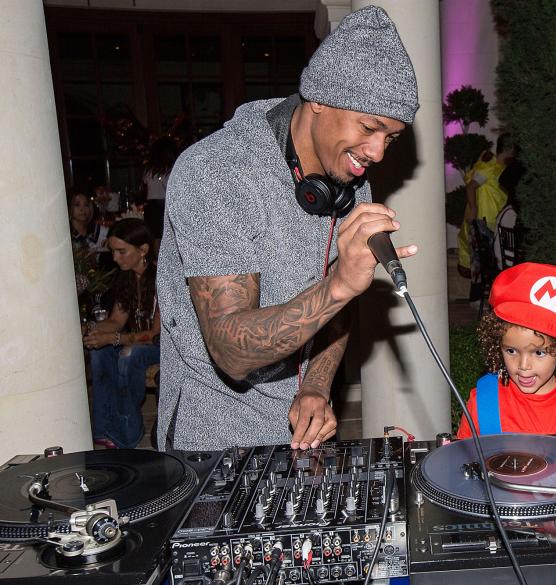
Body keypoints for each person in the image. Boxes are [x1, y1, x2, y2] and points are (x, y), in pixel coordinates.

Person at [156, 5, 419, 451]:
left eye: (390, 137)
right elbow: (231, 350)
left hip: (302, 431)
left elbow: (344, 303)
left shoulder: (349, 182)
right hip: (214, 438)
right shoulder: (216, 172)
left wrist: (316, 384)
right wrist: (338, 284)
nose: (376, 152)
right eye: (369, 127)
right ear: (317, 98)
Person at [456, 263, 556, 451]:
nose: (523, 365)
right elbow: (462, 463)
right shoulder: (483, 401)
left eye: (539, 352)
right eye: (511, 351)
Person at [83, 218, 161, 449]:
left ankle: (128, 432)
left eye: (121, 251)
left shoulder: (161, 277)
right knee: (99, 351)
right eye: (114, 252)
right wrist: (91, 330)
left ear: (143, 249)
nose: (115, 258)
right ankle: (105, 429)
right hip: (138, 343)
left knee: (129, 355)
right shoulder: (127, 278)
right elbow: (117, 321)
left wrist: (114, 338)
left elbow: (155, 334)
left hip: (162, 346)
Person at [457, 133, 517, 295]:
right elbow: (471, 187)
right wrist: (474, 209)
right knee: (481, 264)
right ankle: (478, 300)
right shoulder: (489, 167)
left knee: (487, 263)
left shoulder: (499, 167)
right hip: (482, 221)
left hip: (493, 221)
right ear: (510, 149)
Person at [142, 136, 178, 240]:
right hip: (163, 205)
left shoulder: (149, 170)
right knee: (166, 238)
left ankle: (157, 256)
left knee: (155, 237)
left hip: (150, 206)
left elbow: (145, 184)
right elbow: (170, 188)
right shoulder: (169, 170)